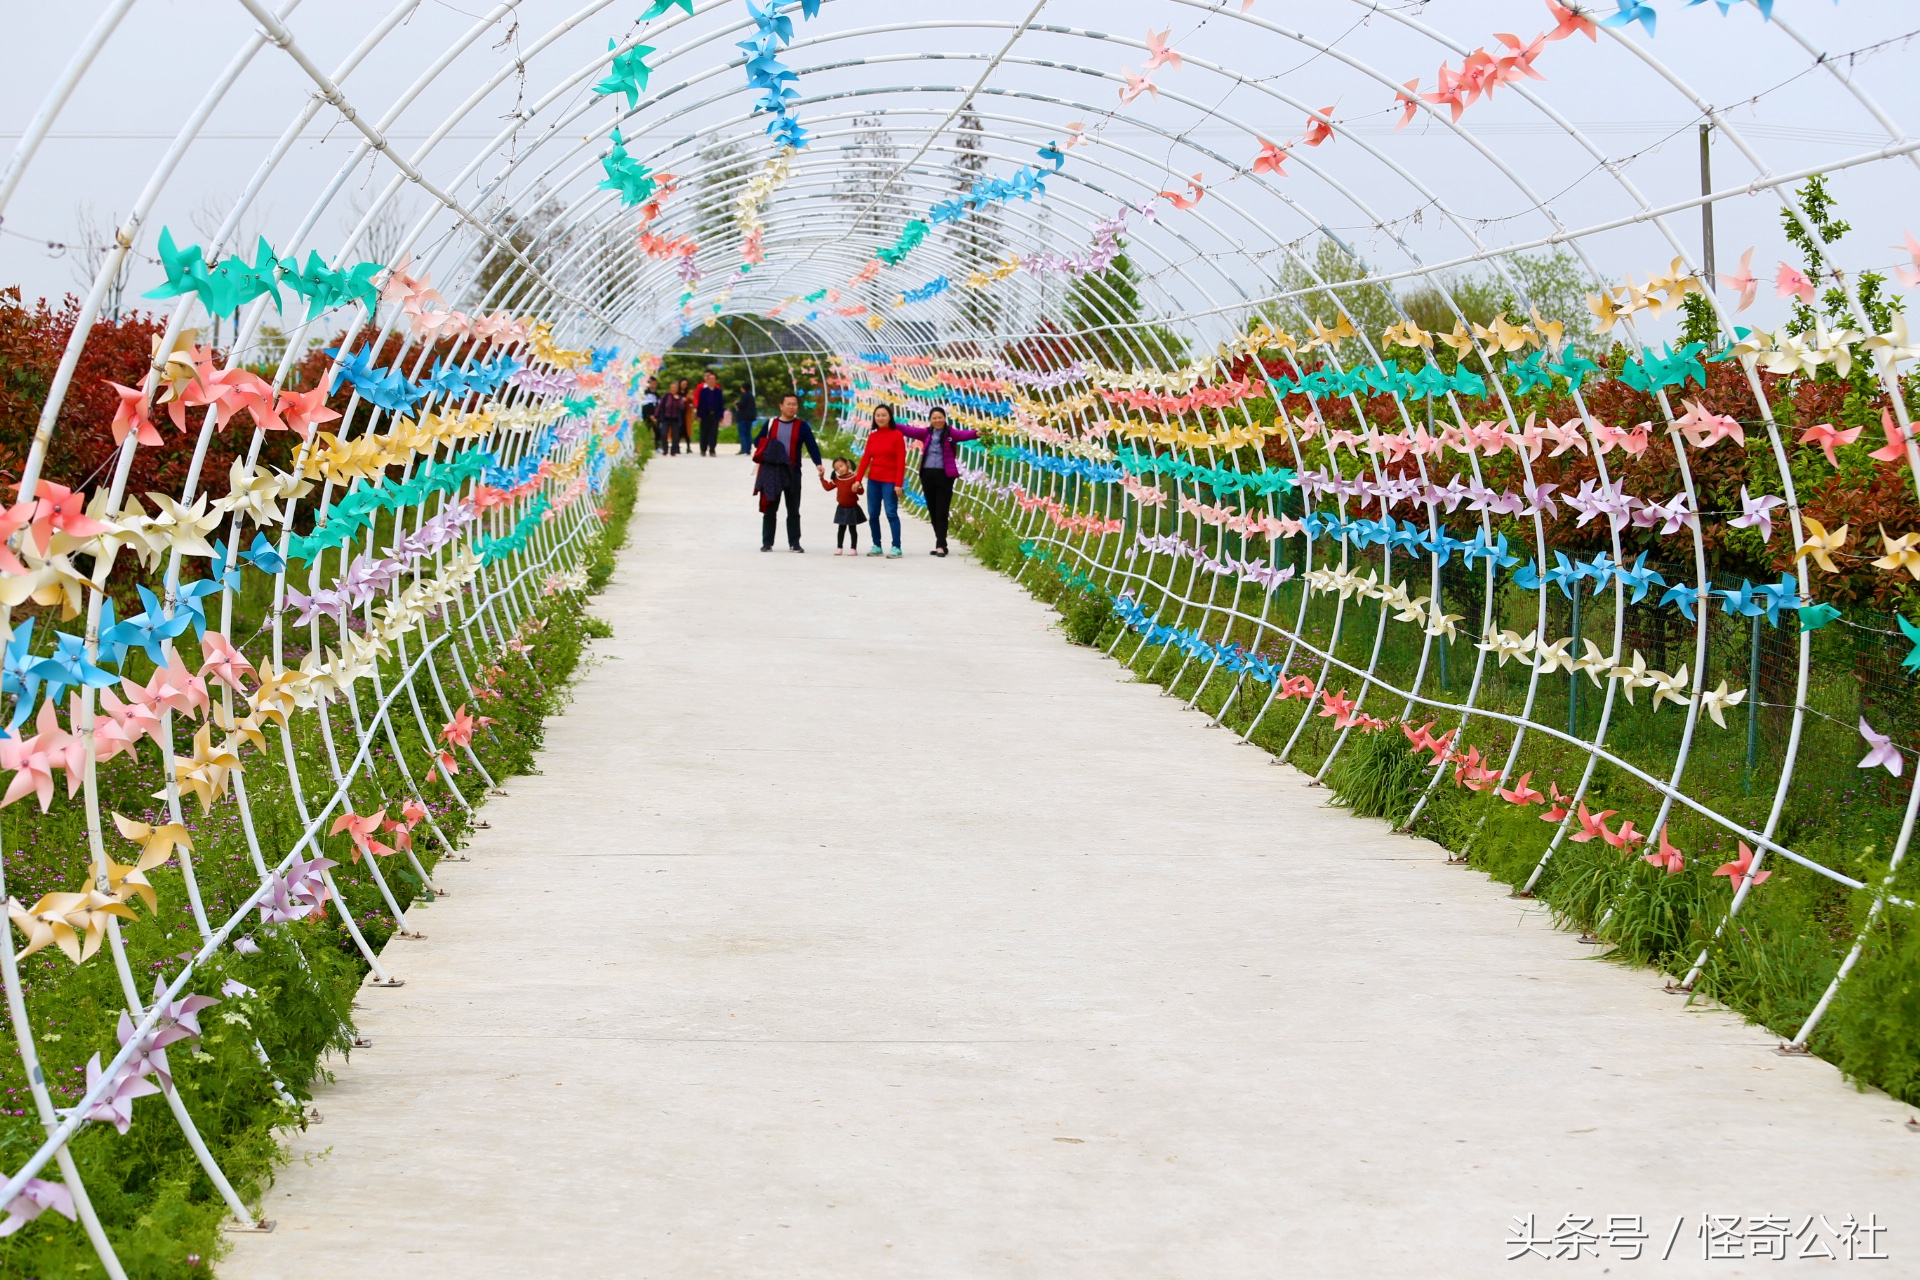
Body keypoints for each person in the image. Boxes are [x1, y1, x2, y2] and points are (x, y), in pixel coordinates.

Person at [899, 405, 978, 557]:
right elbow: (909, 430)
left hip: (945, 475)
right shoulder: (926, 433)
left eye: (940, 417)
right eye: (934, 418)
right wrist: (890, 422)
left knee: (942, 510)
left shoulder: (951, 433)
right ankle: (941, 542)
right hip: (927, 474)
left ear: (944, 418)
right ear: (930, 420)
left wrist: (977, 433)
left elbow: (964, 434)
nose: (937, 420)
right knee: (933, 510)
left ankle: (940, 545)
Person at [752, 392, 825, 552]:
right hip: (772, 472)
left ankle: (794, 543)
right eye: (788, 404)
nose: (791, 407)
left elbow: (812, 446)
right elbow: (757, 441)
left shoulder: (802, 426)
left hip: (793, 472)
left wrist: (818, 463)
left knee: (793, 509)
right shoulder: (771, 424)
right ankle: (767, 543)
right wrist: (771, 447)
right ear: (781, 406)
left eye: (794, 404)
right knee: (770, 508)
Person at [853, 403, 906, 558]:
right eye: (878, 415)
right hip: (874, 481)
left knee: (891, 513)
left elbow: (901, 461)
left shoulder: (897, 435)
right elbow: (866, 458)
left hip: (890, 481)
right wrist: (858, 479)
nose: (881, 418)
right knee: (873, 514)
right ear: (874, 418)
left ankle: (896, 547)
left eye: (884, 415)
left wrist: (898, 484)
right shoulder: (872, 437)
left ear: (890, 417)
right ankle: (877, 545)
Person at [822, 457, 865, 555]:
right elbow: (828, 487)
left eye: (841, 466)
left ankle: (853, 548)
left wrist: (857, 488)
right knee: (841, 529)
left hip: (852, 508)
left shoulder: (855, 478)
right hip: (841, 508)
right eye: (837, 469)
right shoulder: (837, 479)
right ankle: (839, 547)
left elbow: (861, 491)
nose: (840, 470)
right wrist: (822, 478)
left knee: (852, 529)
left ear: (847, 464)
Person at [695, 369, 726, 457]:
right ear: (707, 380)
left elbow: (721, 404)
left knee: (714, 433)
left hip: (715, 415)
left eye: (713, 379)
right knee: (704, 433)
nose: (711, 381)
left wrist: (721, 416)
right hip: (705, 415)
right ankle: (703, 449)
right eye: (710, 379)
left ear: (715, 380)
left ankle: (712, 450)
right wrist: (699, 415)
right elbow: (700, 404)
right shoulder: (703, 391)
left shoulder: (718, 391)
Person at [658, 380, 685, 456]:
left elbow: (682, 407)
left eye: (675, 388)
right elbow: (660, 406)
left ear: (677, 389)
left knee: (675, 436)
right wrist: (656, 415)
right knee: (663, 434)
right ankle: (665, 449)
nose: (673, 389)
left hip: (675, 419)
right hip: (666, 418)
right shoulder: (666, 397)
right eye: (672, 388)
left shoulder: (679, 397)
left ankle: (673, 451)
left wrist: (677, 400)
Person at [734, 383, 758, 457]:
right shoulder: (751, 396)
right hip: (749, 418)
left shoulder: (744, 396)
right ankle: (748, 449)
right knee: (748, 433)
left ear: (743, 388)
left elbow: (741, 405)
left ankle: (744, 449)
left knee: (742, 434)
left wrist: (737, 403)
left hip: (743, 417)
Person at [640, 377, 662, 453]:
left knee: (658, 431)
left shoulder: (657, 394)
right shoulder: (645, 393)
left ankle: (657, 447)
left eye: (655, 384)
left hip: (656, 416)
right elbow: (646, 406)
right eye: (652, 383)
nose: (653, 385)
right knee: (646, 431)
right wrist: (650, 415)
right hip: (647, 416)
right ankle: (644, 447)